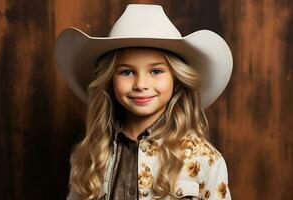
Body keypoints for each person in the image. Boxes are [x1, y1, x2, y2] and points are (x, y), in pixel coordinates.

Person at [55, 4, 233, 200]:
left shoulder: (205, 160)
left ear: (176, 78)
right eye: (127, 72)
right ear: (109, 79)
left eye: (156, 71)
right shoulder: (89, 157)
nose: (141, 84)